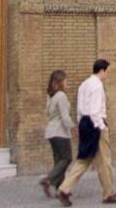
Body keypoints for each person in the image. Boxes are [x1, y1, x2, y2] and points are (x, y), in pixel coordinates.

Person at [56, 59, 116, 206]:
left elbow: (80, 109)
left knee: (84, 159)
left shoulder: (84, 84)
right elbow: (94, 111)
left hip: (85, 123)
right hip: (95, 125)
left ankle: (64, 189)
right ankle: (108, 194)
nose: (107, 74)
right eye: (107, 71)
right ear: (102, 70)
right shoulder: (97, 86)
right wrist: (102, 127)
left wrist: (82, 125)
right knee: (104, 161)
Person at [40, 70, 74, 198]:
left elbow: (48, 114)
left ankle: (60, 189)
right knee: (67, 158)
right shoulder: (61, 96)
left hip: (50, 132)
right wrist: (73, 127)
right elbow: (65, 117)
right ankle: (48, 180)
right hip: (60, 132)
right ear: (60, 82)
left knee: (58, 160)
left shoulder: (50, 95)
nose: (67, 82)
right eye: (65, 80)